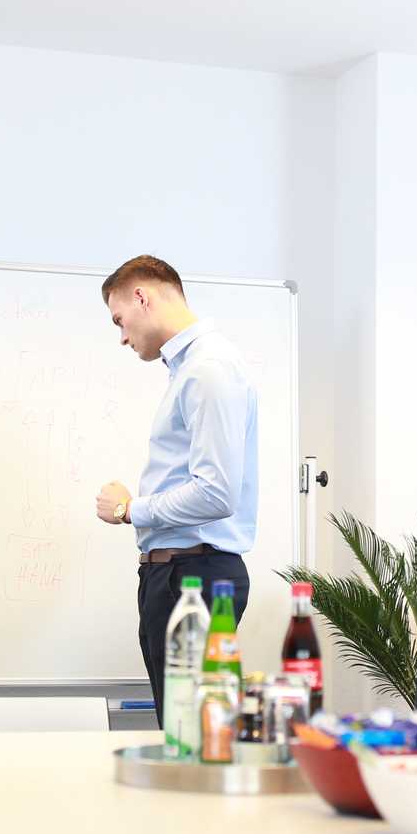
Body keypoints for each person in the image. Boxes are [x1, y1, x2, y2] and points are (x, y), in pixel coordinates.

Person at [94, 255, 259, 715]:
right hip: (176, 573)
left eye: (120, 320)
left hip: (194, 576)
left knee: (196, 738)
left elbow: (216, 492)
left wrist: (131, 510)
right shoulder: (190, 369)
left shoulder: (208, 368)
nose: (123, 336)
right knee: (184, 732)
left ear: (142, 296)